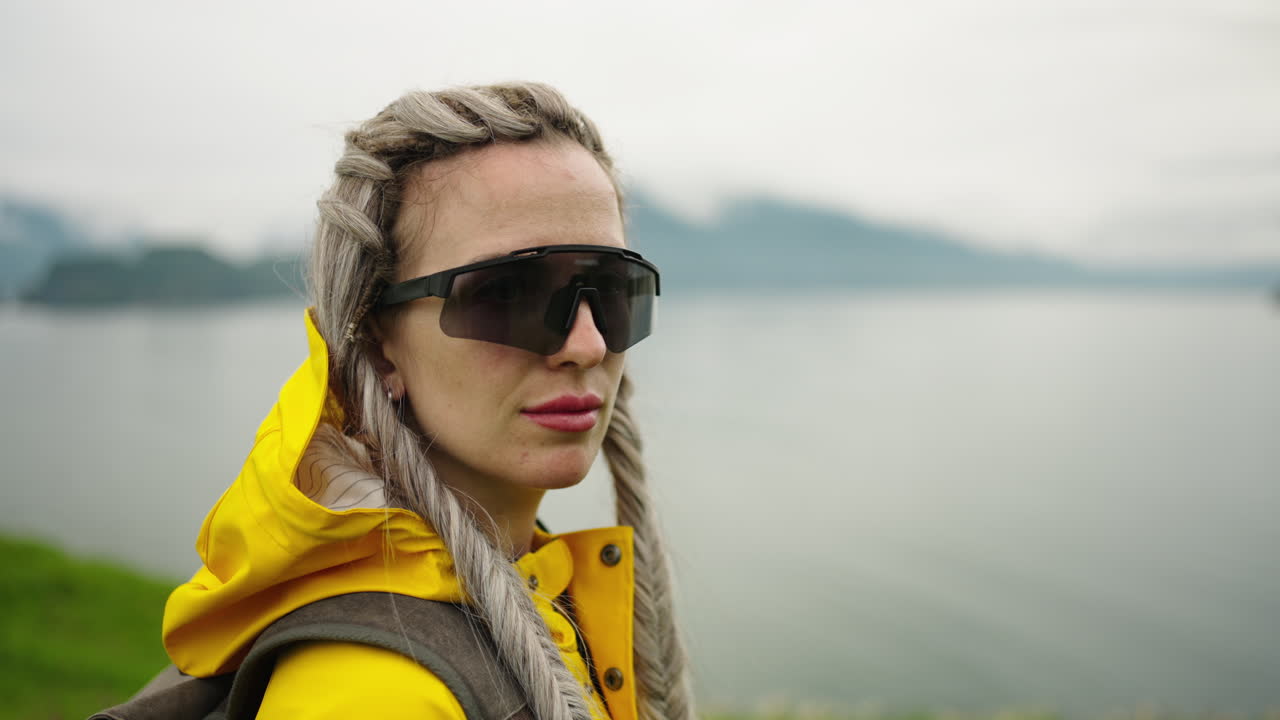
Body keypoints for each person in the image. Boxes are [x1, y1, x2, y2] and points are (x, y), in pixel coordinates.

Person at [156, 83, 694, 720]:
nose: (586, 342)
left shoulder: (529, 583)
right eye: (510, 294)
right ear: (380, 343)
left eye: (611, 290)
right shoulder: (375, 696)